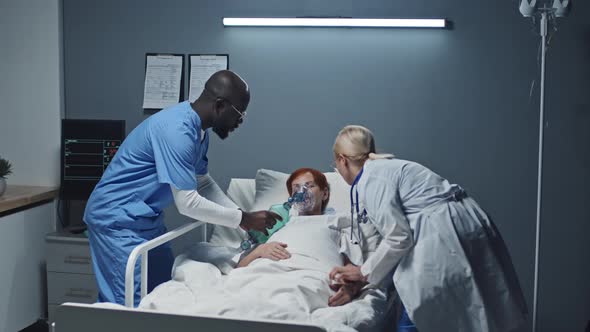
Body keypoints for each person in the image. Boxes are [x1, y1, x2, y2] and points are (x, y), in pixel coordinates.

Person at [83, 70, 279, 306]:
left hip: (145, 219)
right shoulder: (176, 130)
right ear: (220, 105)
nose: (240, 121)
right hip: (115, 220)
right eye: (240, 113)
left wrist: (240, 217)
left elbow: (203, 183)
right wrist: (242, 219)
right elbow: (188, 203)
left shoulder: (199, 132)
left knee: (164, 294)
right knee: (129, 306)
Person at [328, 125, 528, 332]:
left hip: (442, 237)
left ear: (342, 159)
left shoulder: (372, 178)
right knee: (478, 308)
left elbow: (398, 238)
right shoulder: (388, 168)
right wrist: (367, 276)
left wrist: (363, 272)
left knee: (420, 309)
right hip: (466, 224)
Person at [236, 168, 365, 307]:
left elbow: (355, 269)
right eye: (296, 188)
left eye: (309, 186)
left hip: (308, 275)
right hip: (262, 272)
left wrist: (350, 289)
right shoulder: (278, 222)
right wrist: (259, 250)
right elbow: (238, 268)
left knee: (288, 300)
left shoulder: (338, 222)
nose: (302, 192)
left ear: (325, 193)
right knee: (242, 294)